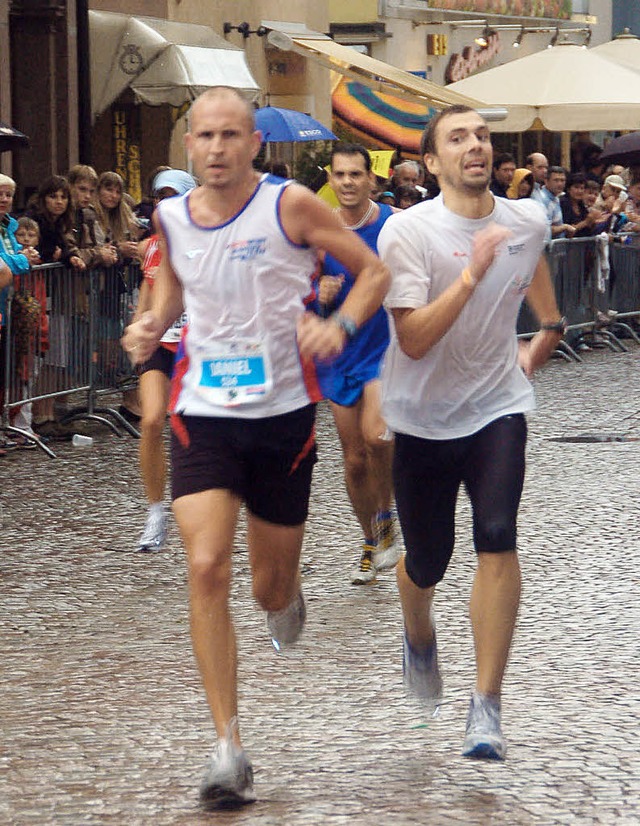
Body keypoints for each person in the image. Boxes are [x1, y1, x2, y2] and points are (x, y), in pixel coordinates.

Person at [121, 86, 389, 809]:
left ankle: (284, 595)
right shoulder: (170, 215)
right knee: (205, 565)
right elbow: (174, 293)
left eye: (229, 135)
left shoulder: (291, 206)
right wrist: (151, 325)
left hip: (280, 418)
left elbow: (372, 271)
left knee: (268, 587)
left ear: (253, 144)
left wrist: (337, 324)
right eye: (204, 136)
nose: (216, 148)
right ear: (188, 147)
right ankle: (227, 747)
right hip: (202, 412)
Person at [378, 105, 565, 762]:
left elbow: (537, 282)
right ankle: (417, 629)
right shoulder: (406, 231)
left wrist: (545, 334)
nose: (475, 145)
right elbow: (414, 338)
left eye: (481, 135)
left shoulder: (527, 221)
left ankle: (486, 705)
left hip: (497, 407)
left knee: (496, 534)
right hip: (422, 417)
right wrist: (469, 275)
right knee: (428, 560)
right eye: (457, 138)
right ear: (432, 162)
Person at [313, 143, 401, 585]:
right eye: (340, 175)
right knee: (353, 460)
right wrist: (318, 295)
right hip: (337, 352)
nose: (347, 182)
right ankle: (371, 540)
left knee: (378, 437)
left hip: (383, 349)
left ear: (371, 179)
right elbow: (299, 286)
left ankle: (386, 516)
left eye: (355, 175)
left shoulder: (390, 225)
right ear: (330, 178)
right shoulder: (320, 229)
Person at [134, 168, 197, 552]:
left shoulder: (206, 241)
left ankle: (195, 507)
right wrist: (139, 326)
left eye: (173, 195)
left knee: (192, 431)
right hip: (160, 343)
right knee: (153, 419)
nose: (164, 203)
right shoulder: (153, 245)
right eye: (160, 196)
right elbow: (149, 285)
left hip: (196, 346)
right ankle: (155, 511)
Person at [537, 166, 576, 239]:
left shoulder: (556, 197)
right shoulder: (542, 199)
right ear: (546, 181)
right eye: (556, 180)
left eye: (562, 180)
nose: (560, 184)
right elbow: (544, 229)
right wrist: (564, 227)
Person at [560, 172, 598, 237]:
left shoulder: (581, 205)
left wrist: (592, 221)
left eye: (582, 188)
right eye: (576, 187)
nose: (580, 191)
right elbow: (567, 231)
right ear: (568, 189)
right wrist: (586, 222)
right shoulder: (563, 203)